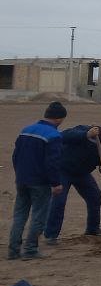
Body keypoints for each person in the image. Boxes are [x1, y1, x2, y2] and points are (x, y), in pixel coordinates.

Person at [45, 120, 101, 244]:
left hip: (82, 173)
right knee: (59, 201)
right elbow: (64, 136)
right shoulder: (86, 130)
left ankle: (92, 229)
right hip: (63, 169)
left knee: (95, 196)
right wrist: (86, 135)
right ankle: (51, 235)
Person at [8, 102, 65, 261]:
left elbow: (15, 155)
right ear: (59, 119)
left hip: (22, 179)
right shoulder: (54, 136)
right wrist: (56, 183)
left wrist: (19, 173)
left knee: (20, 215)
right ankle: (31, 249)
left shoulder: (26, 130)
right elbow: (52, 163)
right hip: (40, 182)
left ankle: (13, 250)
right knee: (38, 216)